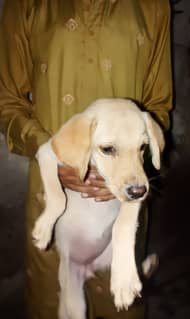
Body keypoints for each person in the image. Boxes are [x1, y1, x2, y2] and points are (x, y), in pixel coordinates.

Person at [0, 0, 173, 318]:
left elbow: (158, 103)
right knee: (55, 305)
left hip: (123, 198)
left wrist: (131, 167)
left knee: (122, 304)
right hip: (55, 188)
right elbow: (7, 98)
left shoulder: (153, 7)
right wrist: (50, 150)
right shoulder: (25, 5)